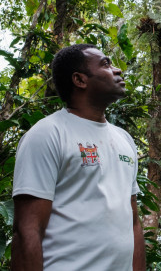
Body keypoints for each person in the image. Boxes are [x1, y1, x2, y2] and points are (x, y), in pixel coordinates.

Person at [11, 44, 146, 271]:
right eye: (106, 64)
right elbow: (27, 230)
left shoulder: (125, 140)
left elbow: (133, 222)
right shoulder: (48, 134)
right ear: (80, 80)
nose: (117, 70)